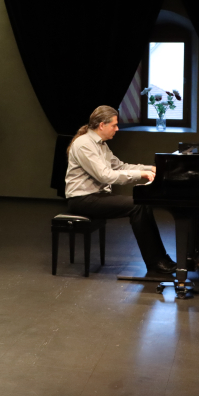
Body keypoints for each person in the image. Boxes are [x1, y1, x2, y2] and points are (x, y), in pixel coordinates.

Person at [65, 105, 176, 274]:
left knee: (143, 204)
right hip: (82, 199)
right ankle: (155, 264)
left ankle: (161, 258)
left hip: (96, 196)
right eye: (114, 125)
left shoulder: (100, 144)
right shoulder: (84, 144)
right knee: (137, 206)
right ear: (102, 125)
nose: (117, 129)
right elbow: (105, 176)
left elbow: (120, 166)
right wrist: (140, 174)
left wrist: (150, 168)